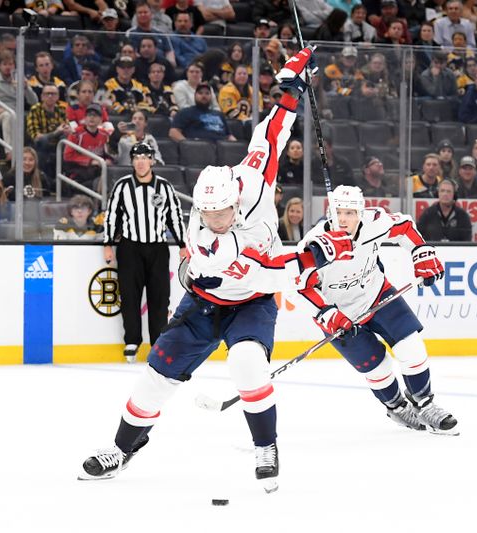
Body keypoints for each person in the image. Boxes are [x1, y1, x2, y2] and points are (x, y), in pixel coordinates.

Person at [80, 49, 322, 491]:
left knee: (248, 362)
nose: (215, 218)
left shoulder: (252, 181)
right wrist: (314, 255)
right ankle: (122, 448)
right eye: (207, 213)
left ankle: (265, 446)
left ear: (235, 197)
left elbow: (269, 136)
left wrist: (290, 88)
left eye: (222, 211)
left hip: (251, 305)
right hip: (210, 299)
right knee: (157, 375)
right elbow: (271, 269)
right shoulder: (207, 240)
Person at [299, 184, 458, 435]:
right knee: (379, 367)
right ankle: (396, 406)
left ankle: (425, 403)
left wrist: (421, 252)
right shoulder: (314, 245)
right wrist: (328, 314)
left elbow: (405, 227)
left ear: (360, 213)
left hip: (377, 294)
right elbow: (304, 286)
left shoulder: (375, 222)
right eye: (338, 212)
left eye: (350, 213)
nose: (343, 219)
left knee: (411, 346)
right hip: (339, 315)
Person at [101, 142, 187, 363]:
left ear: (152, 160)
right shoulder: (122, 186)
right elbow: (112, 215)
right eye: (136, 158)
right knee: (129, 296)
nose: (140, 162)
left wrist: (183, 245)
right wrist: (108, 243)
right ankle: (132, 341)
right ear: (132, 161)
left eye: (144, 157)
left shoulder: (165, 187)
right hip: (130, 248)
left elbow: (175, 217)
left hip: (158, 248)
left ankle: (158, 342)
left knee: (159, 298)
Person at [0, 51, 37, 159]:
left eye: (10, 64)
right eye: (5, 64)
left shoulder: (19, 79)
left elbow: (34, 102)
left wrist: (26, 88)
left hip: (17, 115)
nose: (8, 67)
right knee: (8, 115)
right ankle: (9, 152)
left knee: (30, 116)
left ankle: (29, 153)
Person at [63, 103, 111, 188]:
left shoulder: (105, 135)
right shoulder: (76, 134)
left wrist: (108, 160)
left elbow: (108, 153)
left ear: (100, 119)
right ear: (85, 118)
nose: (91, 117)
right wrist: (90, 161)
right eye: (89, 115)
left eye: (95, 115)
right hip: (79, 171)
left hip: (98, 169)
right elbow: (67, 156)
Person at [169, 83, 236, 142]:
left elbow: (229, 136)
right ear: (195, 95)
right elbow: (173, 132)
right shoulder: (185, 112)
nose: (204, 96)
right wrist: (188, 144)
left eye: (207, 93)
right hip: (199, 149)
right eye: (200, 93)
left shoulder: (219, 114)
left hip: (222, 149)